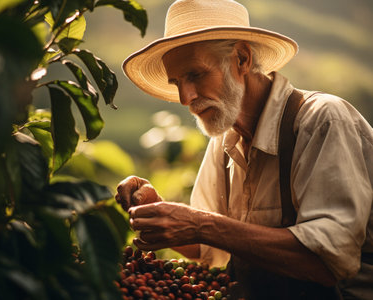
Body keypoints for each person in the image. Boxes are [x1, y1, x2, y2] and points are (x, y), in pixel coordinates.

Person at [115, 0, 373, 299]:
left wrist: (200, 224)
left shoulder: (321, 121)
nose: (186, 98)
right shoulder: (224, 142)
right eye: (177, 82)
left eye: (196, 75)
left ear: (242, 59)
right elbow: (207, 247)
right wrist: (156, 207)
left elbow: (327, 262)